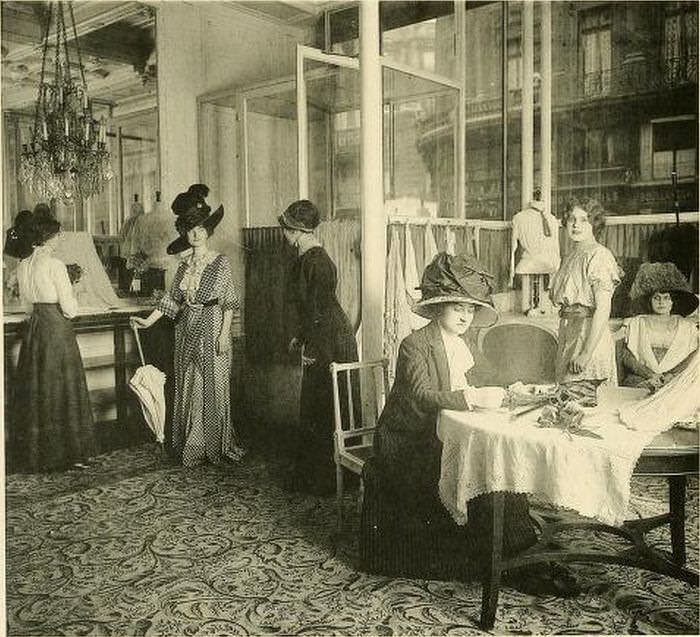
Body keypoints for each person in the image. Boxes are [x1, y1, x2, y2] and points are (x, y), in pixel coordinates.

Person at [364, 252, 579, 596]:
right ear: (437, 308)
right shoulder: (414, 345)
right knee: (487, 468)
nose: (465, 316)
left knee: (499, 462)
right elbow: (422, 395)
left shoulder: (462, 343)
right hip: (410, 443)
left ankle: (518, 552)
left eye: (470, 309)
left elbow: (485, 376)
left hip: (444, 433)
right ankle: (509, 558)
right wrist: (471, 398)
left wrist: (514, 388)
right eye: (457, 308)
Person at [131, 184, 245, 467]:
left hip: (213, 323)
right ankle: (193, 446)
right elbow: (172, 301)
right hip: (186, 327)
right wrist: (147, 321)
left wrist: (224, 335)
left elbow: (229, 301)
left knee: (213, 384)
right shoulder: (182, 266)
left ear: (209, 231)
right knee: (189, 385)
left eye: (201, 229)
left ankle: (216, 445)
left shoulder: (219, 262)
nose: (196, 234)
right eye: (191, 229)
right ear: (185, 232)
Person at [5, 206, 97, 472]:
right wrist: (75, 290)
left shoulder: (23, 266)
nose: (60, 240)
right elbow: (70, 309)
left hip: (35, 328)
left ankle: (40, 456)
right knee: (64, 388)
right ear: (50, 237)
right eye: (58, 236)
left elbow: (27, 307)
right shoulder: (55, 265)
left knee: (39, 388)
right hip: (57, 328)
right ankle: (70, 455)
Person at [278, 199, 358, 496]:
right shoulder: (305, 258)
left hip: (331, 339)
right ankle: (315, 475)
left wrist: (313, 346)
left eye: (286, 228)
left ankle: (325, 479)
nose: (284, 233)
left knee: (323, 403)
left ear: (296, 231)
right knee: (315, 404)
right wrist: (300, 335)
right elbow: (309, 307)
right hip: (321, 332)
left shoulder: (317, 261)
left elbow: (321, 310)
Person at [549, 197, 621, 385]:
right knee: (565, 405)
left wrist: (585, 354)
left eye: (584, 220)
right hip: (569, 334)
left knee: (584, 405)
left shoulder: (599, 256)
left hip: (589, 339)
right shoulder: (570, 256)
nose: (575, 225)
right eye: (572, 219)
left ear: (594, 224)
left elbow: (603, 309)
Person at [620, 262, 698, 390]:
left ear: (673, 301)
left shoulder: (687, 326)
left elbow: (694, 356)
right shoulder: (636, 323)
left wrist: (671, 375)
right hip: (643, 378)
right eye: (656, 298)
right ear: (649, 301)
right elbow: (627, 356)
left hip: (676, 378)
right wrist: (649, 375)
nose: (661, 302)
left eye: (666, 298)